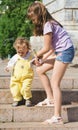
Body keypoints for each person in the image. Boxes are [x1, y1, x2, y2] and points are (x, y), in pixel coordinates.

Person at [27, 1, 75, 124]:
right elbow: (53, 47)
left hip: (65, 52)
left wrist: (35, 56)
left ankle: (57, 117)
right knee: (40, 69)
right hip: (62, 51)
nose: (33, 21)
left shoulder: (48, 25)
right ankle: (50, 98)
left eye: (33, 18)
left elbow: (47, 48)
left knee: (55, 83)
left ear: (38, 15)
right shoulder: (51, 23)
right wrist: (42, 59)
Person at [5, 37, 35, 107]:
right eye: (18, 51)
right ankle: (17, 99)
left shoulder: (30, 57)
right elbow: (11, 64)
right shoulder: (15, 57)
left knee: (25, 88)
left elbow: (36, 62)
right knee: (15, 89)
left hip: (27, 77)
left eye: (23, 51)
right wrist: (8, 68)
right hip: (16, 78)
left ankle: (27, 99)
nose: (20, 53)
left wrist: (38, 62)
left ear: (27, 49)